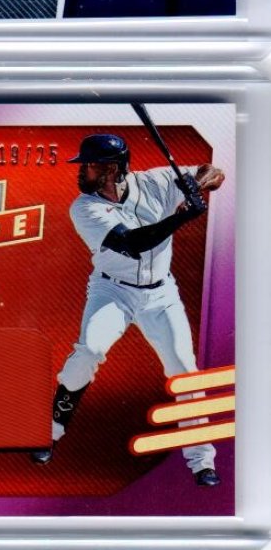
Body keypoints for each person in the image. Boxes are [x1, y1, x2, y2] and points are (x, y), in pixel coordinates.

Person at [31, 132, 225, 487]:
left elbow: (213, 171)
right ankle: (49, 432)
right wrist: (182, 216)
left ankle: (202, 461)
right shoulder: (84, 207)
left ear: (114, 169)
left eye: (91, 165)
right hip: (112, 290)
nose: (83, 171)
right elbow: (133, 243)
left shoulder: (156, 181)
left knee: (184, 369)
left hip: (161, 294)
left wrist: (198, 185)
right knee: (90, 350)